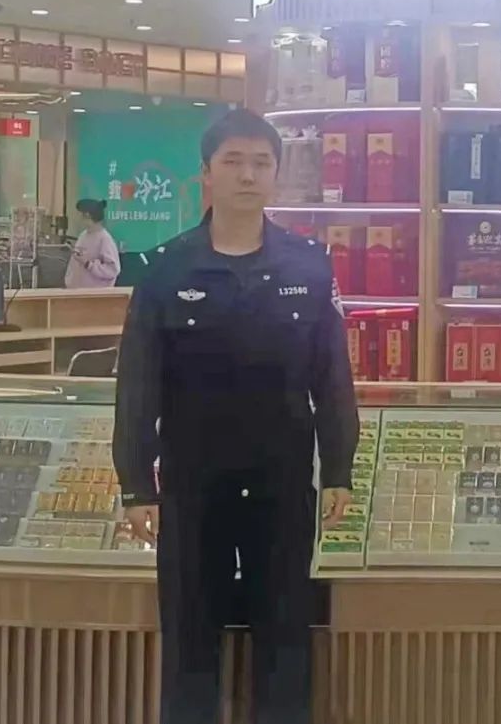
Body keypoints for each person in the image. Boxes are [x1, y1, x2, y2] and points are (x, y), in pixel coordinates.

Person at [113, 109, 358, 724]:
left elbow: (332, 377)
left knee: (285, 639)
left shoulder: (309, 265)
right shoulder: (165, 268)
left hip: (283, 484)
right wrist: (136, 484)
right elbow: (138, 385)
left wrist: (339, 468)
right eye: (233, 162)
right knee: (189, 640)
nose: (248, 175)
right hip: (194, 486)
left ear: (275, 174)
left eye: (261, 163)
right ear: (206, 173)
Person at [65, 199, 120, 288]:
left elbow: (112, 270)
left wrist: (88, 264)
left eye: (81, 215)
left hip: (95, 293)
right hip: (77, 291)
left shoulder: (104, 239)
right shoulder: (83, 235)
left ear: (87, 215)